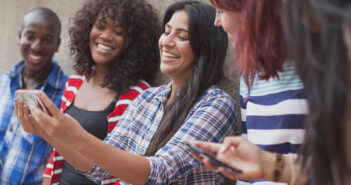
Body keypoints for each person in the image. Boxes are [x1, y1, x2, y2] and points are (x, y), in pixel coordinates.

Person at [16, 1, 236, 184]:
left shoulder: (216, 105)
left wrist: (73, 133)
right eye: (166, 32)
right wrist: (49, 133)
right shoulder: (149, 98)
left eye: (182, 37)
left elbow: (159, 173)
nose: (167, 42)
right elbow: (99, 169)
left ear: (205, 47)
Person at [194, 0, 351, 185]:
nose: (217, 22)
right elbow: (250, 167)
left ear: (253, 12)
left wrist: (273, 166)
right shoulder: (250, 75)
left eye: (221, 10)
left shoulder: (329, 63)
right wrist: (268, 165)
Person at [41, 0, 161, 184]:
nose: (106, 36)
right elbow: (57, 150)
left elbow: (127, 170)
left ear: (133, 43)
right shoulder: (75, 81)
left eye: (118, 32)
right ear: (87, 29)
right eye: (101, 26)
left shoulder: (139, 95)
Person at [0, 7, 68, 185]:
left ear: (57, 44)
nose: (37, 46)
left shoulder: (67, 94)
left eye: (46, 40)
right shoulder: (3, 83)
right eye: (30, 36)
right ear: (19, 37)